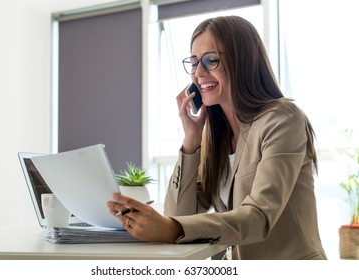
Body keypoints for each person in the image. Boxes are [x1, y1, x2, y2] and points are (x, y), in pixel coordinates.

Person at [107, 16, 327, 260]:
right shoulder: (216, 137)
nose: (199, 73)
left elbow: (258, 218)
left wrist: (172, 228)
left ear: (242, 62)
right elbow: (180, 213)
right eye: (193, 62)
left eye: (211, 61)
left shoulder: (282, 120)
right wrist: (191, 141)